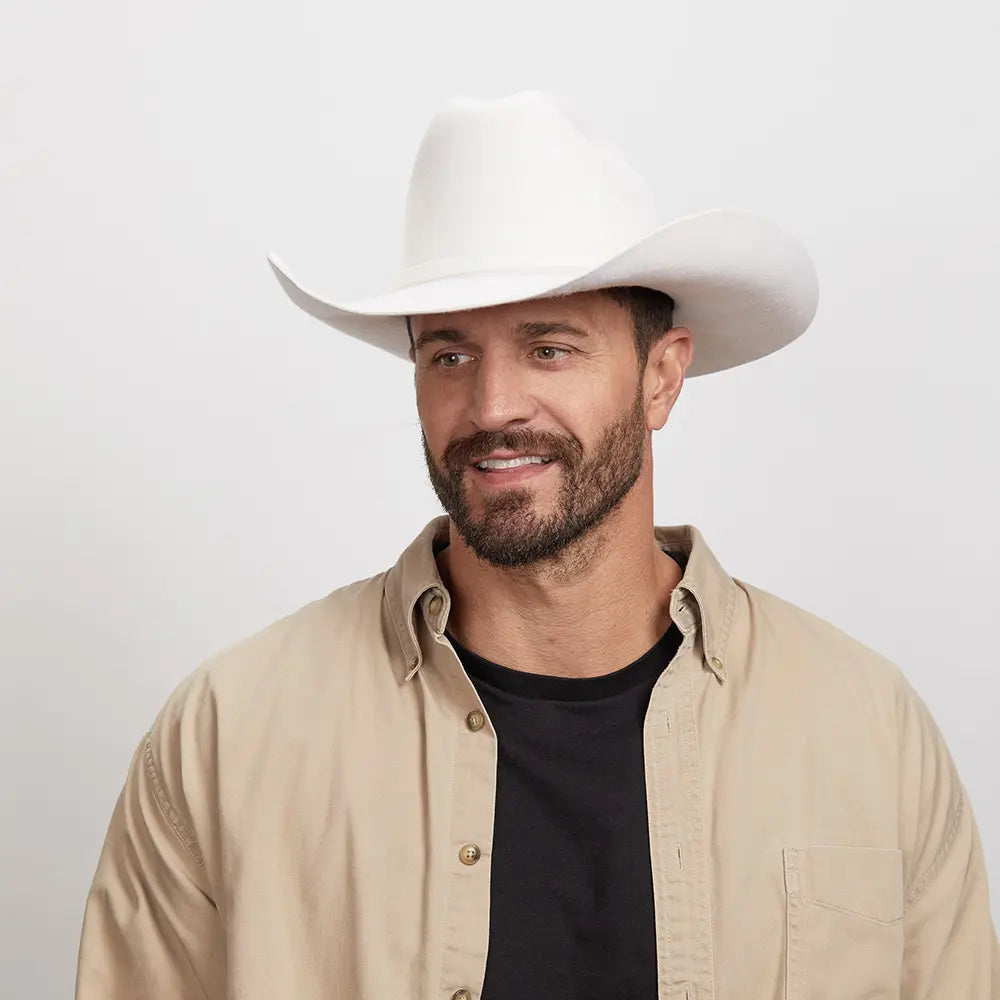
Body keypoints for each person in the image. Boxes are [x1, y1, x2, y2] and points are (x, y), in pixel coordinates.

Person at [75, 90, 999, 999]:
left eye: (549, 348)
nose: (490, 407)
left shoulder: (865, 730)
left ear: (662, 376)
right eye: (449, 355)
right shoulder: (230, 735)